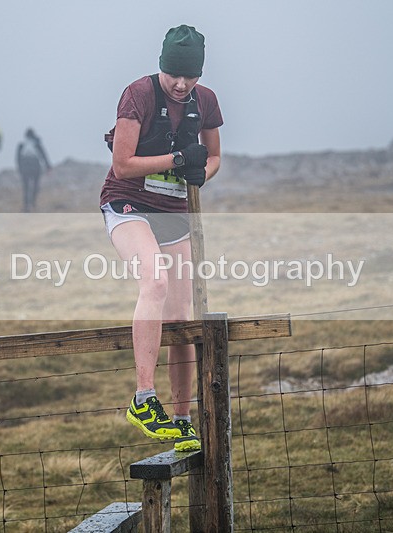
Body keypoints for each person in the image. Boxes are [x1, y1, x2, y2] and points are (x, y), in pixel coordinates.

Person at [99, 25, 223, 451]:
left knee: (183, 317)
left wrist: (199, 173)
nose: (181, 83)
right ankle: (143, 399)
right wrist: (175, 157)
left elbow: (216, 155)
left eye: (190, 76)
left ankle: (182, 418)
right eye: (174, 73)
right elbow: (122, 165)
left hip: (173, 211)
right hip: (128, 204)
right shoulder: (139, 95)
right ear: (162, 66)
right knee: (154, 280)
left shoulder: (204, 102)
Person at [15, 128, 52, 212]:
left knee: (26, 187)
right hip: (35, 165)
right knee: (35, 185)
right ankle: (33, 203)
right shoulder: (37, 144)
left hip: (25, 165)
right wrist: (48, 167)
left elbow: (17, 158)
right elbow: (43, 155)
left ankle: (26, 205)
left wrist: (19, 168)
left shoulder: (21, 145)